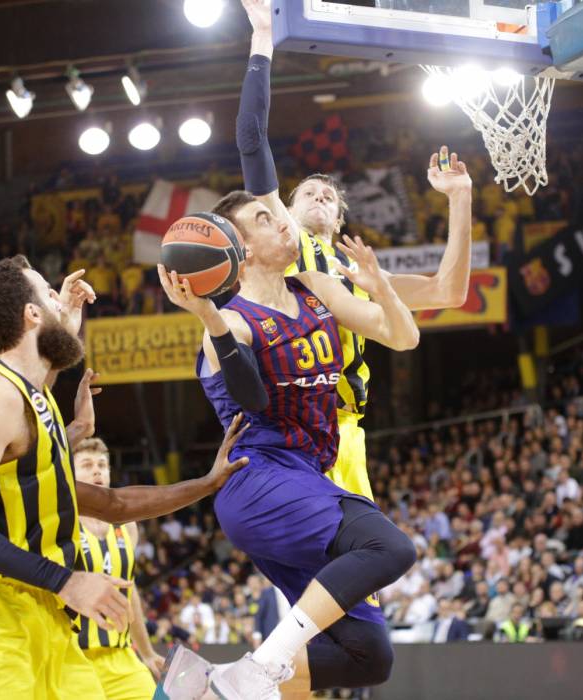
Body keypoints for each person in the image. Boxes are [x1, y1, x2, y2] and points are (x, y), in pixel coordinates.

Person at [0, 259, 250, 700]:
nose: (61, 301)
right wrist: (68, 581)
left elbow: (111, 505)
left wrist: (207, 483)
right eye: (49, 294)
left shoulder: (36, 397)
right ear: (31, 315)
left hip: (47, 608)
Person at [158, 191, 419, 698]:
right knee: (389, 546)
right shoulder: (230, 321)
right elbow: (251, 396)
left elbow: (403, 337)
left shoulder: (315, 287)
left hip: (303, 477)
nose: (283, 223)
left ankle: (213, 689)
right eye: (266, 218)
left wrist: (379, 286)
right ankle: (262, 666)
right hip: (257, 478)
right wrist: (208, 315)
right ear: (242, 250)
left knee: (368, 653)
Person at [236, 0, 472, 502]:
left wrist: (459, 198)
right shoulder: (285, 243)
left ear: (340, 218)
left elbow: (448, 291)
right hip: (290, 426)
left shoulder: (353, 273)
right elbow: (253, 141)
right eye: (307, 193)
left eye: (329, 196)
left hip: (345, 431)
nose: (320, 194)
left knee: (359, 571)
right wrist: (263, 39)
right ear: (286, 212)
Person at [73, 436, 164, 700]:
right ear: (70, 472)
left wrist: (146, 652)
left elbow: (129, 592)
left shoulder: (127, 526)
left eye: (102, 464)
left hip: (121, 655)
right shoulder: (61, 521)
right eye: (87, 464)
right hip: (74, 656)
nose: (97, 470)